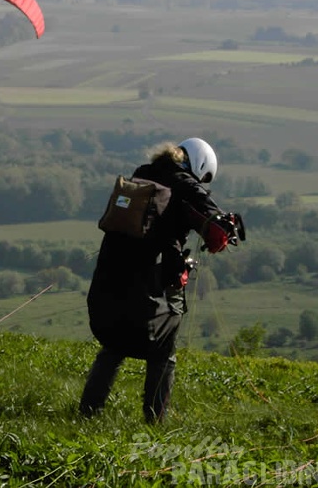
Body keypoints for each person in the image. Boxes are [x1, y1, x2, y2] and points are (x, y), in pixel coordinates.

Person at [78, 137, 244, 423]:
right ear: (199, 167)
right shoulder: (186, 186)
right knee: (163, 351)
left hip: (107, 284)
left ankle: (88, 413)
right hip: (149, 290)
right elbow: (216, 227)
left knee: (114, 346)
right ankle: (154, 422)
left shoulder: (142, 173)